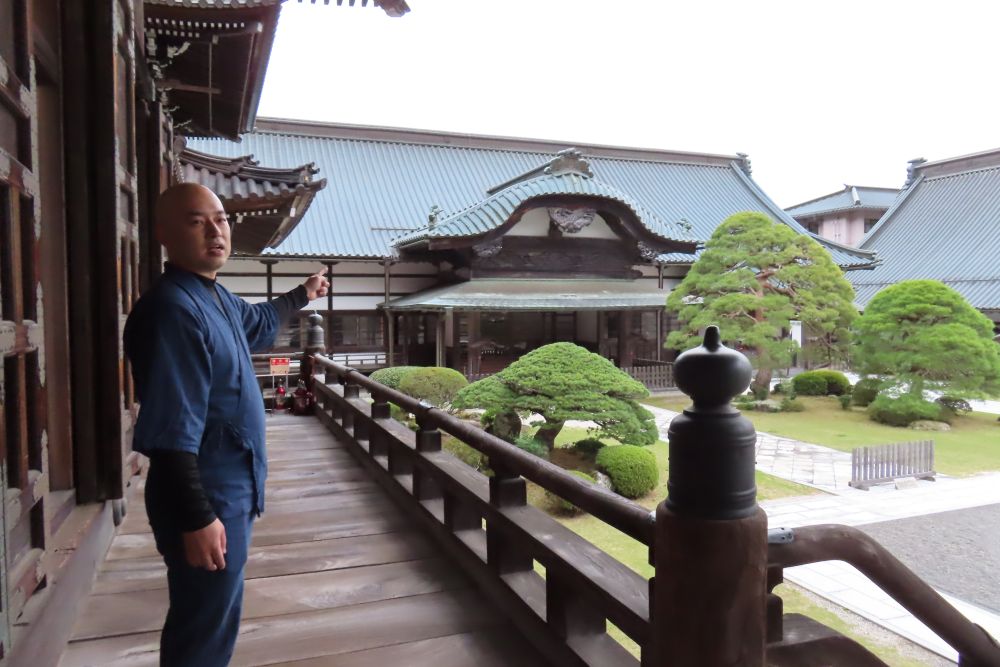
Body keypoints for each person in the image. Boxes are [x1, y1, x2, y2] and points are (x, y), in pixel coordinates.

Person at [124, 183, 329, 666]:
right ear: (164, 234)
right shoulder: (174, 308)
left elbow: (257, 322)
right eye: (198, 222)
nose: (216, 231)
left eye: (221, 219)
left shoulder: (211, 295)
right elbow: (173, 425)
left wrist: (304, 292)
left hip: (230, 483)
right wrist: (197, 515)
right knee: (204, 627)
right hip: (205, 491)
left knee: (214, 614)